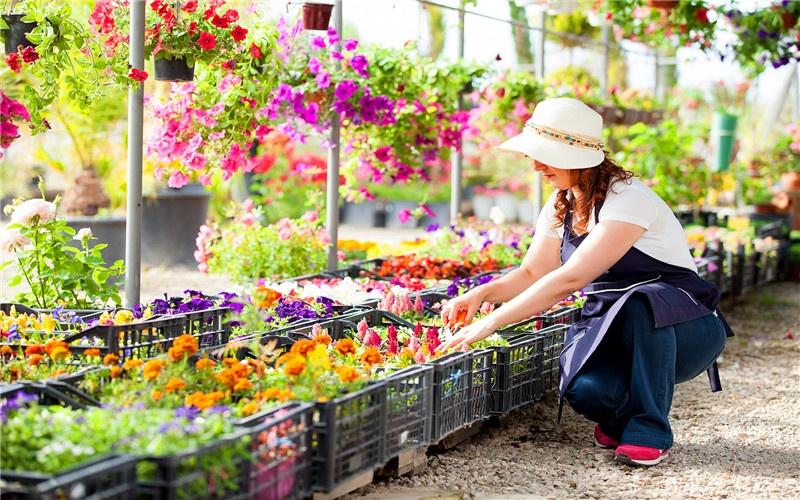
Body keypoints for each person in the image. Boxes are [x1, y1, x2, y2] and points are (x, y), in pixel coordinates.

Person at [438, 97, 732, 467]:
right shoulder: (561, 204)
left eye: (546, 155)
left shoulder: (628, 198)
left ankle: (649, 429)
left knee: (642, 302)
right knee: (584, 391)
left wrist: (490, 322)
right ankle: (624, 413)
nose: (536, 166)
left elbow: (571, 277)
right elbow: (532, 272)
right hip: (614, 331)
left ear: (578, 158)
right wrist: (482, 294)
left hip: (686, 329)